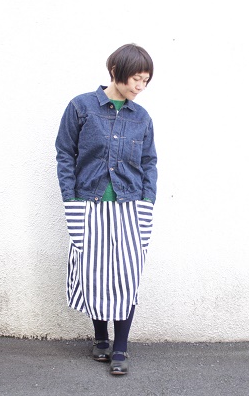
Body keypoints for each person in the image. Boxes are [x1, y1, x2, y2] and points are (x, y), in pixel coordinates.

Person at [55, 43, 157, 376]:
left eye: (145, 81)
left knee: (127, 274)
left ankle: (121, 347)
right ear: (115, 71)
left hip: (130, 205)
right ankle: (100, 338)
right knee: (95, 272)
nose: (140, 87)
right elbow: (65, 154)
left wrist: (148, 202)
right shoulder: (81, 107)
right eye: (136, 79)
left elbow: (149, 162)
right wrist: (71, 200)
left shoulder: (141, 117)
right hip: (90, 203)